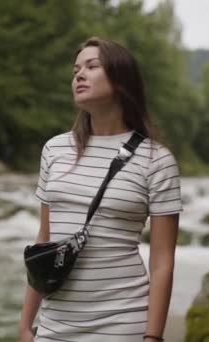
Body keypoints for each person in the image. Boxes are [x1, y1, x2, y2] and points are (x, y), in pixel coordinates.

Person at [18, 37, 182, 342]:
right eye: (75, 69)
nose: (79, 75)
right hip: (54, 325)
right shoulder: (54, 149)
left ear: (121, 80)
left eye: (92, 66)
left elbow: (162, 263)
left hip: (122, 322)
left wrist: (153, 337)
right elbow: (44, 241)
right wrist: (26, 324)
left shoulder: (157, 160)